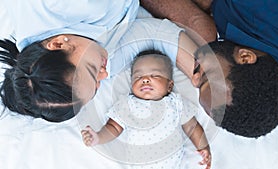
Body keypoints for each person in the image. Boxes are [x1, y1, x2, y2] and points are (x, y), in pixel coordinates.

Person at [0, 0, 206, 122]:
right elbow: (152, 33)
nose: (105, 74)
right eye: (97, 86)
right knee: (204, 32)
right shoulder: (86, 64)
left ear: (58, 44)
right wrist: (202, 78)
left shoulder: (62, 5)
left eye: (92, 71)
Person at [138, 0, 278, 137]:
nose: (194, 80)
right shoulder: (272, 11)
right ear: (245, 57)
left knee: (202, 36)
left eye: (199, 85)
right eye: (206, 77)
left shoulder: (269, 92)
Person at [81, 50, 211, 169]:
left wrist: (203, 146)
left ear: (170, 85)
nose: (145, 80)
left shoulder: (176, 103)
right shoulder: (127, 105)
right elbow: (113, 128)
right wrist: (98, 137)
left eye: (155, 75)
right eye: (138, 77)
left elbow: (192, 127)